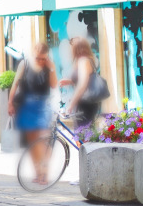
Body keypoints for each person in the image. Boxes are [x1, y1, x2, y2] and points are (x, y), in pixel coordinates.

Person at [8, 42, 58, 184]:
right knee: (32, 142)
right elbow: (16, 83)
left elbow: (54, 85)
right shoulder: (25, 64)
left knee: (44, 140)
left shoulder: (48, 66)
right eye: (38, 58)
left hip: (43, 105)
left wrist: (52, 68)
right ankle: (38, 172)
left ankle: (45, 172)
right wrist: (10, 102)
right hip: (27, 105)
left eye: (43, 58)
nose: (41, 61)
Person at [59, 37, 100, 128]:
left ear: (76, 48)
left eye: (71, 48)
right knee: (84, 135)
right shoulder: (86, 60)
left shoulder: (84, 61)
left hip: (84, 104)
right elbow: (86, 80)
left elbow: (82, 84)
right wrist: (70, 81)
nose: (70, 51)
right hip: (86, 103)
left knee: (82, 136)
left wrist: (71, 104)